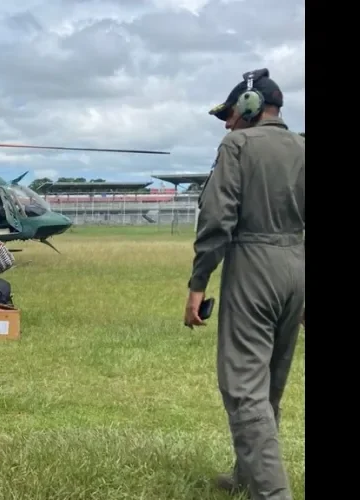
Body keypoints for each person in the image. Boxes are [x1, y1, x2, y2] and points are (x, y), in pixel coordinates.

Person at [183, 68, 304, 500]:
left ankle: (273, 494)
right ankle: (248, 475)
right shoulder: (303, 147)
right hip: (296, 266)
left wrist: (199, 282)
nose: (228, 123)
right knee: (269, 382)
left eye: (230, 114)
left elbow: (217, 219)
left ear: (250, 108)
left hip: (254, 264)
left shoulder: (236, 145)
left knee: (242, 387)